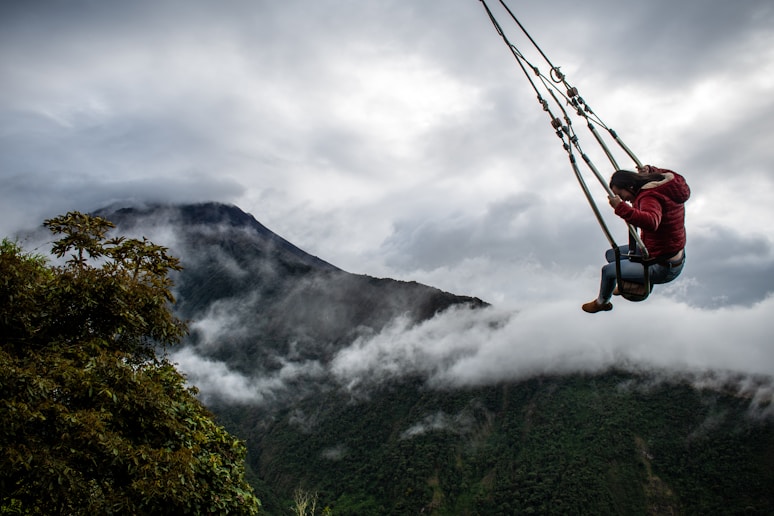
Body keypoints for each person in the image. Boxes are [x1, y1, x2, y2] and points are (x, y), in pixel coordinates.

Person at [582, 164, 691, 313]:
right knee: (611, 255)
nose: (623, 200)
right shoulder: (665, 185)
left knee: (608, 271)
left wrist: (620, 207)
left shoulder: (649, 197)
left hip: (663, 266)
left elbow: (651, 222)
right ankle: (633, 277)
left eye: (621, 194)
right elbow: (672, 175)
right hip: (663, 251)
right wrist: (651, 170)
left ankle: (602, 302)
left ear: (630, 186)